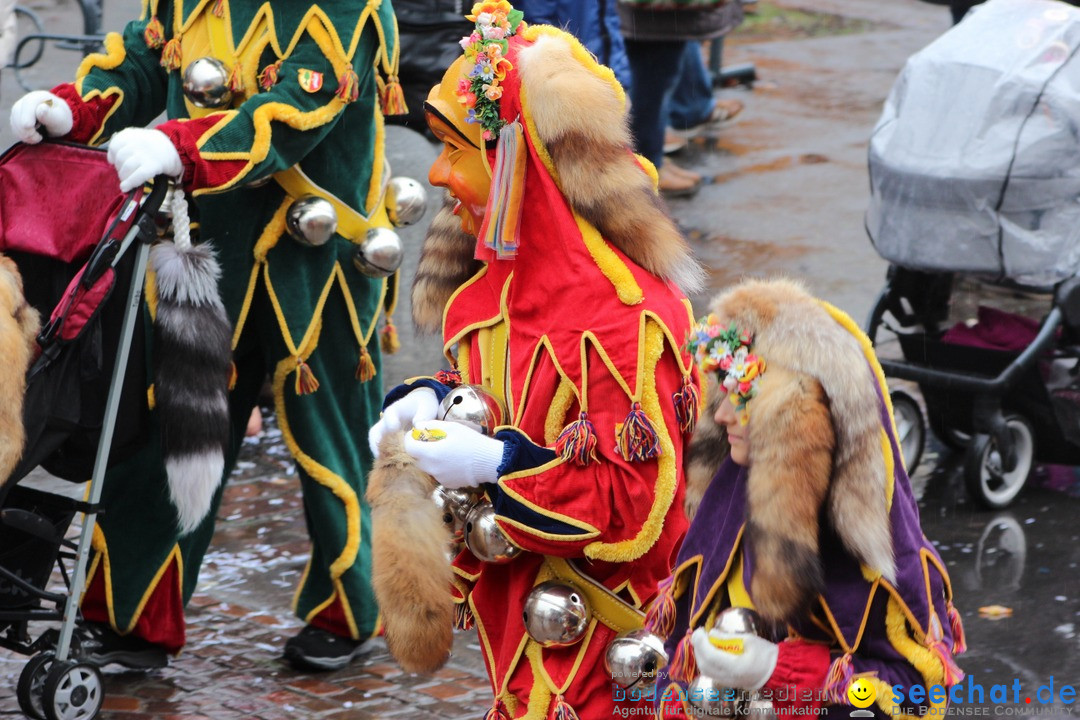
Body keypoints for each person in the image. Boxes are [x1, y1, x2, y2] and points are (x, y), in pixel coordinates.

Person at [9, 0, 406, 671]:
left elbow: (297, 110)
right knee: (166, 432)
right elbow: (143, 58)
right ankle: (132, 619)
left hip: (316, 265)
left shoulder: (344, 9)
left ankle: (350, 609)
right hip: (205, 254)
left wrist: (182, 146)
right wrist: (74, 109)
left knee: (327, 441)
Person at [368, 2, 703, 716]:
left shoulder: (626, 317)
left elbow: (635, 502)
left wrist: (497, 465)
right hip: (518, 630)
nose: (433, 174)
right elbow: (493, 394)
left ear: (514, 161)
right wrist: (434, 397)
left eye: (454, 150)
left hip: (609, 650)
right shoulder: (490, 293)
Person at [651, 278, 965, 716]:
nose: (721, 414)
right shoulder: (725, 501)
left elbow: (916, 694)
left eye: (744, 397)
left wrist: (783, 671)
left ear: (797, 424)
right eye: (724, 391)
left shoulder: (878, 566)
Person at [619, 0, 744, 197]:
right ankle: (645, 165)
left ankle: (651, 157)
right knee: (654, 70)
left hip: (654, 12)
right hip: (655, 11)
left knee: (659, 61)